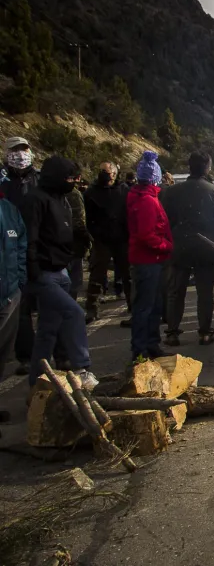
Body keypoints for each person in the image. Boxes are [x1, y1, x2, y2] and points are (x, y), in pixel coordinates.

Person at [23, 157, 97, 389]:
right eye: (69, 178)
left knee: (47, 331)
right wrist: (33, 268)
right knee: (74, 313)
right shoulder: (35, 200)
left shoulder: (62, 199)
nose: (73, 182)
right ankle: (82, 368)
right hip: (43, 273)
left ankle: (37, 383)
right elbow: (30, 237)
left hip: (61, 270)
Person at [161, 152, 214, 346]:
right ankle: (205, 332)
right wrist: (211, 237)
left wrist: (176, 235)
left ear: (189, 166)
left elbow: (165, 220)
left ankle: (172, 332)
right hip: (205, 246)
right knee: (205, 292)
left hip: (179, 246)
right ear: (208, 168)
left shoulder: (172, 192)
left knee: (176, 292)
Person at [127, 152, 173, 360]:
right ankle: (141, 347)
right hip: (149, 260)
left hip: (148, 259)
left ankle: (150, 343)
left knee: (153, 305)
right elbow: (147, 234)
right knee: (146, 306)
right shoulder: (147, 200)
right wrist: (165, 246)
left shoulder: (140, 196)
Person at [1, 136, 38, 375]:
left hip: (37, 247)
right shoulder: (3, 183)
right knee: (19, 307)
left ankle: (42, 353)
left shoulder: (39, 179)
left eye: (23, 150)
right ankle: (25, 355)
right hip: (9, 247)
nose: (20, 155)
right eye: (15, 150)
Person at [83, 162, 130, 322]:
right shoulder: (91, 192)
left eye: (107, 172)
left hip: (122, 239)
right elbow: (88, 218)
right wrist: (95, 234)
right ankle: (92, 308)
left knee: (127, 275)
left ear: (115, 174)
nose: (104, 174)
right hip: (101, 240)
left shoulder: (124, 190)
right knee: (97, 275)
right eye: (101, 171)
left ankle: (133, 306)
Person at [0, 190, 26, 418]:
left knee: (3, 351)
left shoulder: (8, 209)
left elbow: (20, 244)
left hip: (9, 291)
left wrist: (19, 278)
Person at [65, 174, 91, 302]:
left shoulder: (45, 192)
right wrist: (87, 240)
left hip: (59, 244)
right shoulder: (73, 194)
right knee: (74, 280)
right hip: (74, 242)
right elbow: (79, 220)